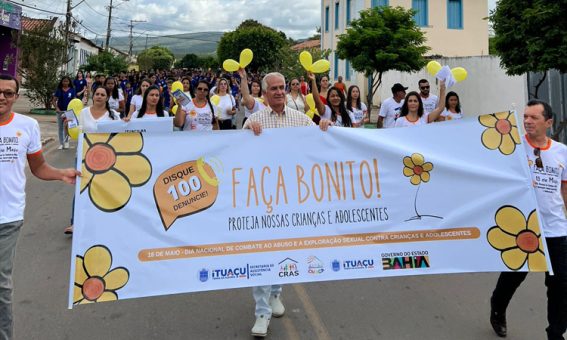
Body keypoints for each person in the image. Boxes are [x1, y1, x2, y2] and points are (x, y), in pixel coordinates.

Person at [243, 72, 332, 337]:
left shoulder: (299, 118)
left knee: (283, 249)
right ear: (266, 93)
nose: (280, 92)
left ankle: (275, 293)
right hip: (261, 198)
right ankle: (261, 311)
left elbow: (319, 139)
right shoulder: (255, 119)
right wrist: (249, 132)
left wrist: (325, 127)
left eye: (283, 87)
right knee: (261, 252)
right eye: (274, 88)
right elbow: (237, 154)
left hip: (290, 198)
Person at [0, 74, 80, 340]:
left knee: (1, 285)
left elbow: (39, 168)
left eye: (8, 93)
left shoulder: (28, 126)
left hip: (7, 218)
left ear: (16, 96)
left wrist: (61, 173)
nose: (2, 97)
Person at [489, 100, 567, 340]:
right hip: (522, 227)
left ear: (549, 122)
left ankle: (555, 333)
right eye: (525, 116)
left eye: (534, 117)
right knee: (513, 276)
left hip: (555, 229)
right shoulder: (512, 148)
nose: (527, 121)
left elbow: (564, 189)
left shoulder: (561, 151)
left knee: (561, 285)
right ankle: (498, 307)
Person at [63, 86, 120, 235]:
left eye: (103, 94)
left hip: (107, 157)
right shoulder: (82, 113)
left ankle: (103, 220)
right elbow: (74, 132)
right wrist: (66, 126)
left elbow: (120, 134)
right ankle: (75, 222)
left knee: (104, 189)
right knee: (81, 189)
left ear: (107, 98)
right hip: (83, 156)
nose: (99, 96)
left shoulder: (113, 115)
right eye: (97, 94)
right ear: (93, 96)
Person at [52, 76, 76, 150]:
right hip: (60, 112)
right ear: (61, 82)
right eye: (64, 81)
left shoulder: (72, 90)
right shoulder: (59, 90)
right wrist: (57, 108)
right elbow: (54, 100)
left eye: (67, 81)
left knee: (68, 128)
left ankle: (66, 142)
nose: (65, 83)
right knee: (61, 127)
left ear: (69, 82)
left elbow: (74, 101)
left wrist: (74, 109)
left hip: (69, 112)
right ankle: (61, 143)